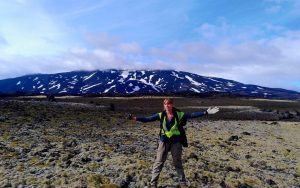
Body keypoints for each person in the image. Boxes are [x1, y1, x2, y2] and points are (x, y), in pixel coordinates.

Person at [129, 98, 219, 188]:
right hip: (164, 142)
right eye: (165, 104)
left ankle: (183, 183)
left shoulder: (179, 114)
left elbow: (191, 115)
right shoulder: (161, 115)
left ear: (172, 105)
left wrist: (205, 112)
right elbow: (147, 119)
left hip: (176, 142)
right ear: (163, 105)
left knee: (177, 162)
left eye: (169, 104)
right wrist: (135, 118)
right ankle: (153, 183)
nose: (167, 106)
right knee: (158, 162)